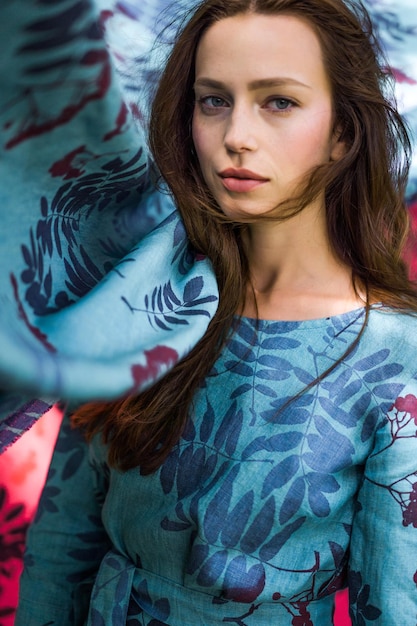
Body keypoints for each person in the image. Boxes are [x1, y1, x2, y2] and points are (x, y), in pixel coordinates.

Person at [15, 0, 417, 624]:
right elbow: (61, 549)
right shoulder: (141, 303)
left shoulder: (395, 355)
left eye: (278, 101)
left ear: (343, 132)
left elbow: (393, 606)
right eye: (214, 100)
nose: (236, 136)